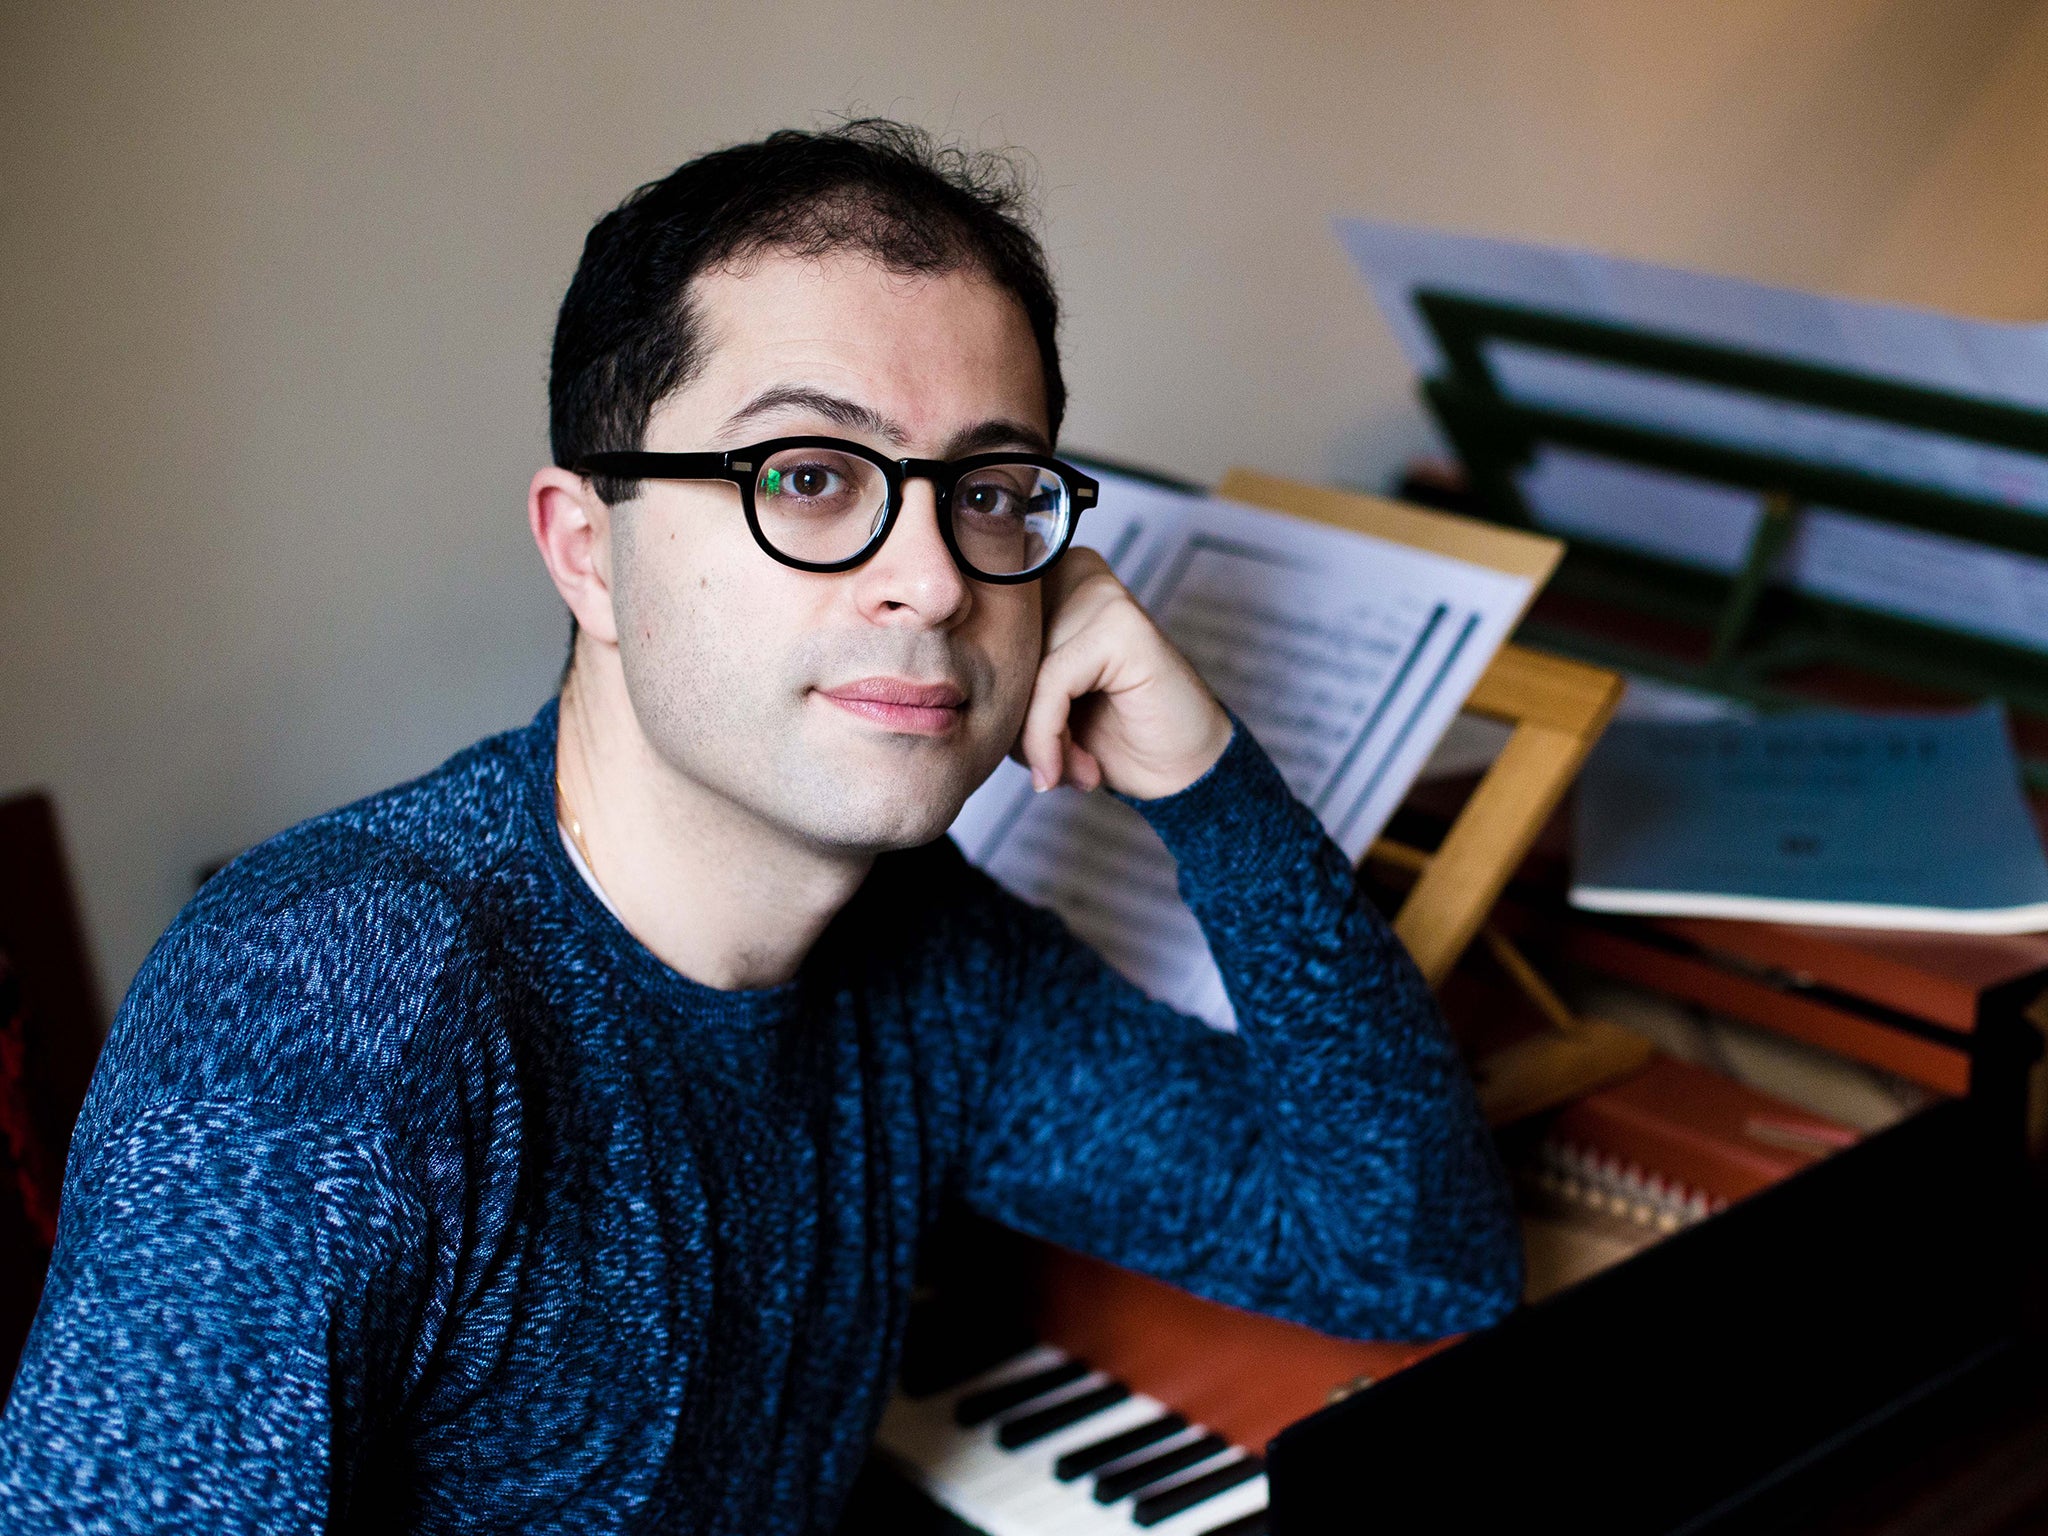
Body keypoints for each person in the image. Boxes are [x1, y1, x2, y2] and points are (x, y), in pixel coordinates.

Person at [0, 121, 1520, 1533]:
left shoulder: (934, 955)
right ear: (587, 552)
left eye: (989, 491)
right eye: (807, 474)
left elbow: (1410, 1251)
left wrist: (1210, 786)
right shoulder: (335, 995)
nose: (932, 579)